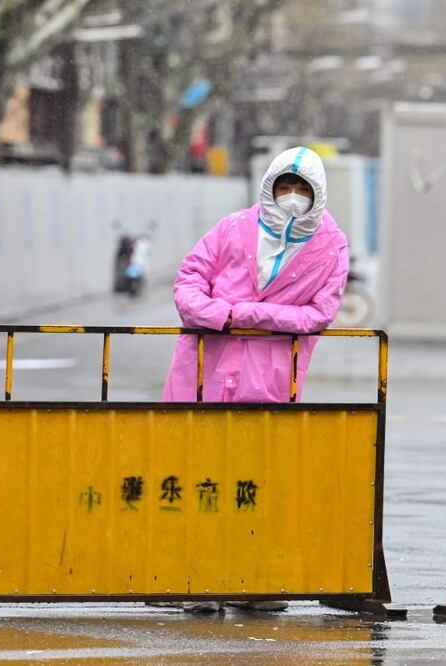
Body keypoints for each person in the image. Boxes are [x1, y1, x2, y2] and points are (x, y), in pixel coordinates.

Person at [162, 146, 349, 613]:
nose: (290, 196)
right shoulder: (232, 228)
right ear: (268, 186)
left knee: (257, 483)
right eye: (283, 186)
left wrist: (240, 314)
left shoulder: (331, 246)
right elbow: (188, 286)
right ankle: (195, 580)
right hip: (204, 372)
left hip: (269, 381)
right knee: (197, 478)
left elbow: (320, 313)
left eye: (301, 189)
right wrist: (223, 317)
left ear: (317, 195)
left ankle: (255, 580)